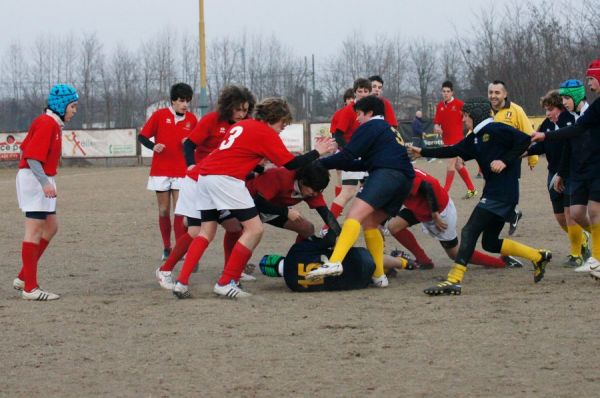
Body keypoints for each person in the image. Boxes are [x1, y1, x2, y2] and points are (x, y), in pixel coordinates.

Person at [171, 97, 336, 299]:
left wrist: (257, 166)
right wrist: (318, 152)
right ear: (275, 117)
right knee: (255, 229)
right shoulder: (264, 132)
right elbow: (291, 164)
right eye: (283, 123)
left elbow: (236, 153)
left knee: (206, 231)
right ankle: (226, 281)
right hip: (226, 179)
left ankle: (181, 282)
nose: (283, 128)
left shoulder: (242, 126)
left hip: (204, 176)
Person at [409, 97, 551, 296]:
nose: (463, 120)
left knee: (469, 231)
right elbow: (452, 150)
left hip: (502, 193)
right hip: (496, 193)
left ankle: (454, 280)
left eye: (465, 117)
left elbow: (525, 140)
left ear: (473, 116)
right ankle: (538, 256)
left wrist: (504, 160)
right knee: (490, 243)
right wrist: (422, 151)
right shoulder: (475, 136)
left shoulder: (496, 129)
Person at [306, 95, 415, 288]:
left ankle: (335, 262)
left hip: (387, 174)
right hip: (404, 180)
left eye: (359, 114)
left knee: (353, 216)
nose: (357, 119)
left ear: (370, 113)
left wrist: (318, 162)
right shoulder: (388, 129)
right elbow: (363, 162)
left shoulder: (371, 126)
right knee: (370, 223)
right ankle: (379, 276)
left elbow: (347, 155)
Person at [155, 86, 255, 290]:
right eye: (237, 109)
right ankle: (165, 270)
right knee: (195, 231)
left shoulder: (245, 125)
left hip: (219, 183)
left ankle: (231, 271)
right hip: (199, 181)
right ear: (228, 107)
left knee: (234, 227)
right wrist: (192, 165)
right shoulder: (211, 120)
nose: (241, 114)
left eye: (245, 110)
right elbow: (189, 144)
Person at [532, 60, 600, 277]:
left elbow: (576, 132)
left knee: (594, 212)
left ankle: (596, 258)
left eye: (567, 97)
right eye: (562, 98)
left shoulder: (590, 112)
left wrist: (546, 136)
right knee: (579, 214)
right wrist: (560, 172)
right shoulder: (579, 116)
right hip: (579, 173)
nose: (564, 102)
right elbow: (570, 146)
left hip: (595, 170)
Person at [13, 84, 78, 301]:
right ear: (61, 105)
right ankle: (30, 288)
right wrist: (43, 182)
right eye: (73, 106)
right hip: (35, 179)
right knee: (34, 230)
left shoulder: (52, 123)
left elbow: (25, 148)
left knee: (51, 226)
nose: (74, 111)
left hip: (41, 178)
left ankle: (24, 276)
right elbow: (31, 156)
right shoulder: (46, 123)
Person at [386, 167, 523, 269]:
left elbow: (428, 186)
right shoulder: (392, 166)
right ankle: (424, 261)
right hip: (421, 206)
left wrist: (435, 213)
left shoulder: (399, 171)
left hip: (439, 210)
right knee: (394, 227)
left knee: (455, 254)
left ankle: (500, 262)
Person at [527, 89, 589, 268]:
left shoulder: (571, 121)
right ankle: (582, 240)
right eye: (546, 110)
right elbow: (541, 146)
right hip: (552, 173)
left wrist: (563, 173)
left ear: (560, 108)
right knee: (560, 217)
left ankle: (576, 255)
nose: (548, 114)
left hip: (570, 173)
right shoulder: (546, 124)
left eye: (550, 109)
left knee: (571, 215)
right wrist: (525, 152)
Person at [138, 83, 197, 260]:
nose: (184, 104)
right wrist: (153, 146)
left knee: (180, 211)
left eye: (187, 101)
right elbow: (142, 136)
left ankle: (180, 249)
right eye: (181, 100)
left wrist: (190, 143)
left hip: (181, 171)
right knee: (164, 211)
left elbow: (197, 144)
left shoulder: (192, 120)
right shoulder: (159, 115)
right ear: (173, 101)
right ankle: (166, 247)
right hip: (161, 171)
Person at [488, 80, 537, 235]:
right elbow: (475, 131)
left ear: (505, 94)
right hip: (490, 160)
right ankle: (512, 213)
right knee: (492, 191)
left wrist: (532, 157)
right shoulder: (485, 111)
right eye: (491, 92)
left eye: (497, 92)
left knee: (507, 190)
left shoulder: (516, 110)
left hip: (511, 158)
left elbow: (529, 134)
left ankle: (510, 214)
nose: (493, 96)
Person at [247, 162, 341, 241]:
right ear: (302, 181)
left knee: (307, 228)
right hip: (246, 203)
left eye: (319, 190)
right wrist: (286, 212)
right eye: (314, 190)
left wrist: (340, 234)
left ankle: (296, 260)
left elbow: (325, 213)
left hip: (273, 206)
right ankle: (236, 262)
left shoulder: (311, 188)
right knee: (243, 230)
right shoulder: (280, 175)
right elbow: (259, 203)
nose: (316, 194)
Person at [433, 80, 477, 198]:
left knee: (450, 165)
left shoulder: (460, 105)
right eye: (444, 91)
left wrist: (472, 130)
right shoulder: (440, 106)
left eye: (448, 91)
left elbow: (470, 117)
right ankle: (472, 189)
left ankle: (444, 192)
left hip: (457, 140)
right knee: (458, 165)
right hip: (446, 141)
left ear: (452, 92)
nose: (446, 93)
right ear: (441, 92)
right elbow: (436, 123)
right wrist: (437, 128)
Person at [329, 88, 355, 197]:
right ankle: (338, 204)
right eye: (348, 98)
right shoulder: (338, 114)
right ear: (345, 100)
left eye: (352, 98)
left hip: (358, 148)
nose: (351, 100)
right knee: (340, 175)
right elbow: (334, 134)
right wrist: (341, 148)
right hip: (342, 147)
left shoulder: (361, 113)